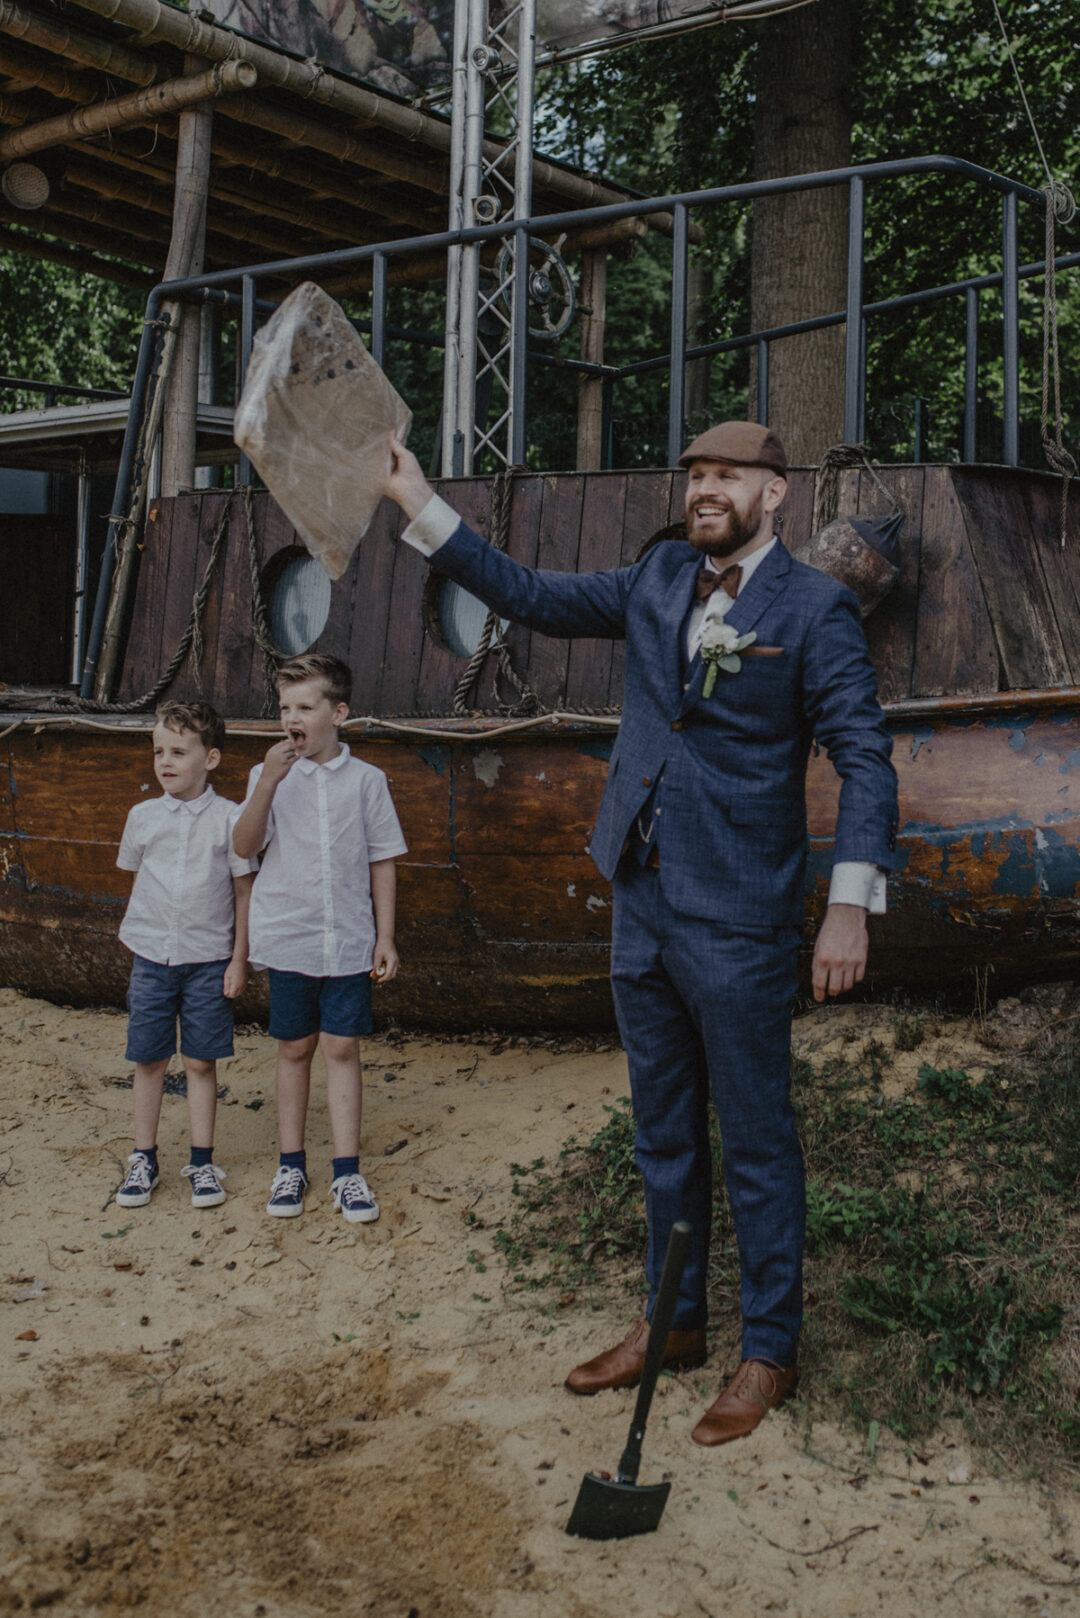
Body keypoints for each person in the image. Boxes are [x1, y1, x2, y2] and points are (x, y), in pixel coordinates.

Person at [383, 421, 898, 1445]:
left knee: (754, 1139)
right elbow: (528, 592)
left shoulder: (816, 608)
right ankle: (673, 1323)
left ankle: (767, 1350)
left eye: (729, 477)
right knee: (662, 1132)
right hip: (641, 898)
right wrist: (416, 502)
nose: (707, 490)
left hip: (743, 916)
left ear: (775, 495)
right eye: (698, 474)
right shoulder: (660, 572)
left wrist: (847, 903)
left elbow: (867, 759)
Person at [233, 653, 407, 1224]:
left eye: (305, 706)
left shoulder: (367, 781)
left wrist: (386, 937)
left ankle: (347, 1172)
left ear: (338, 713)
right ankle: (290, 1164)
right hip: (290, 937)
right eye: (285, 707)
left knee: (341, 1048)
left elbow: (383, 860)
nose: (292, 717)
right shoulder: (268, 775)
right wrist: (270, 780)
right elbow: (244, 846)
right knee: (294, 1048)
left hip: (349, 939)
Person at [115, 701, 257, 1211]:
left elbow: (244, 894)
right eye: (158, 751)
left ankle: (201, 1161)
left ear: (211, 758)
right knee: (149, 1058)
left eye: (179, 751)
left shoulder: (231, 819)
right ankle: (143, 1157)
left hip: (208, 961)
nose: (165, 761)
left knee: (200, 1060)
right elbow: (139, 880)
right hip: (152, 957)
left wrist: (239, 959)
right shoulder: (143, 817)